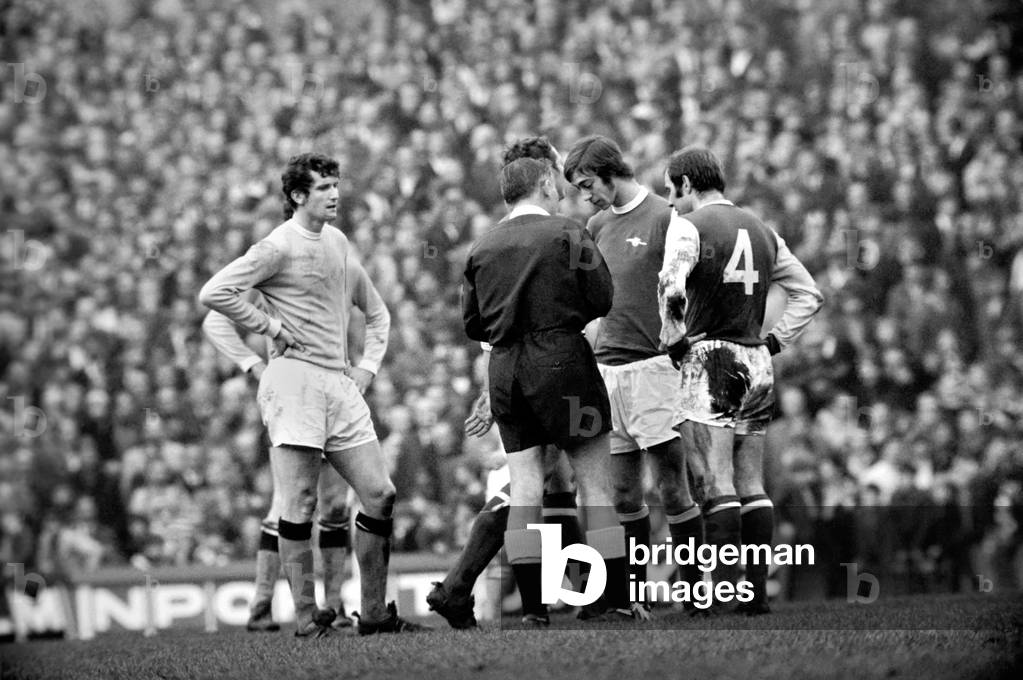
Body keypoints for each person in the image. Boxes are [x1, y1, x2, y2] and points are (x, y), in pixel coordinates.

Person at [198, 152, 425, 636]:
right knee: (299, 504)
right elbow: (214, 294)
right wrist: (269, 327)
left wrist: (365, 367)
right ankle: (306, 616)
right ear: (298, 196)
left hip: (337, 381)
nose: (335, 194)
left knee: (379, 493)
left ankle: (374, 614)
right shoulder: (277, 246)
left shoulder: (338, 241)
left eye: (336, 185)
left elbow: (376, 313)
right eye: (323, 187)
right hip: (293, 381)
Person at [462, 156, 632, 626]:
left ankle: (534, 612)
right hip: (562, 363)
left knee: (526, 490)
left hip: (505, 369)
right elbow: (603, 298)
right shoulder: (568, 233)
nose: (560, 188)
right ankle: (611, 600)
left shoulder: (483, 246)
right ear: (541, 184)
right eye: (554, 182)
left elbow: (473, 321)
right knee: (595, 487)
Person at [427, 137, 586, 629]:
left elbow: (483, 327)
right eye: (559, 167)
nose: (565, 178)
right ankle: (458, 587)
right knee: (528, 484)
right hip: (546, 370)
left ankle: (576, 588)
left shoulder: (498, 237)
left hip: (510, 372)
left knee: (554, 485)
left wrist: (486, 389)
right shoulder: (551, 231)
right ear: (543, 173)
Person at [659, 146, 823, 614]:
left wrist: (674, 342)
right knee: (753, 482)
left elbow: (670, 287)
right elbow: (809, 293)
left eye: (671, 190)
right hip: (756, 362)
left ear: (687, 184)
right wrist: (775, 341)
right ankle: (754, 596)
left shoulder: (689, 226)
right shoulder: (763, 229)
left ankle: (725, 594)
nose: (669, 201)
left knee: (715, 481)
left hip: (710, 356)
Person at [202, 247, 389, 631]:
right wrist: (253, 365)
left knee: (334, 504)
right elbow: (215, 322)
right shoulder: (279, 270)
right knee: (291, 502)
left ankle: (330, 606)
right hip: (292, 395)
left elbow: (376, 315)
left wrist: (365, 368)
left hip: (335, 391)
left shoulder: (342, 264)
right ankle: (266, 603)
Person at [563, 135, 701, 615]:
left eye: (587, 184)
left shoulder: (667, 216)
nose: (586, 196)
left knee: (672, 486)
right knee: (622, 492)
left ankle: (696, 593)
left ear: (608, 172)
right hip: (609, 373)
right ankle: (633, 599)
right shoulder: (597, 224)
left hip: (655, 369)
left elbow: (685, 289)